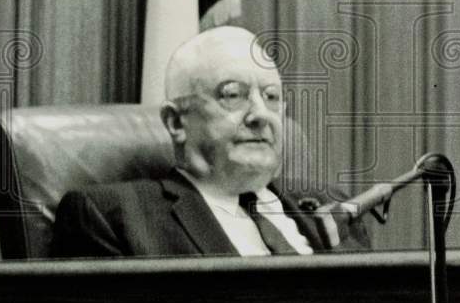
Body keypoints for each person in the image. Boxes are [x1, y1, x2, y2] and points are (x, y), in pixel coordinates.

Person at [52, 26, 370, 257]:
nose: (261, 114)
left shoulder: (331, 205)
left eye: (272, 97)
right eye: (232, 95)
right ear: (177, 122)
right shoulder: (114, 216)